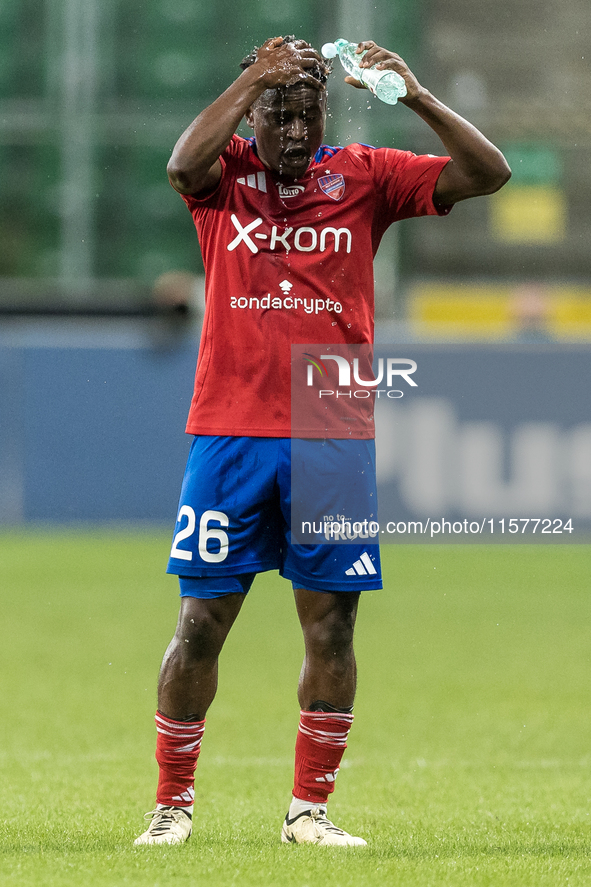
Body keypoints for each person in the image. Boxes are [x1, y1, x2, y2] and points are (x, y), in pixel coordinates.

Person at [134, 35, 510, 848]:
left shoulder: (366, 175)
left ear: (325, 114)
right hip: (230, 434)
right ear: (254, 112)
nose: (296, 130)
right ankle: (172, 804)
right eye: (280, 113)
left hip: (331, 432)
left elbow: (488, 174)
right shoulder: (222, 176)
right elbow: (178, 166)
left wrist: (413, 96)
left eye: (306, 113)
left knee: (332, 628)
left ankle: (308, 810)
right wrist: (253, 81)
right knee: (201, 621)